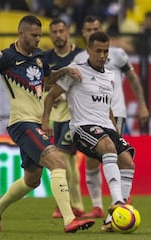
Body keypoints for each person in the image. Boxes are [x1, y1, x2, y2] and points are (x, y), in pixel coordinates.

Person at [0, 15, 94, 233]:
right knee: (58, 162)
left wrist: (64, 71)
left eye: (39, 35)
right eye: (34, 35)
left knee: (32, 180)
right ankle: (70, 220)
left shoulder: (39, 57)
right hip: (21, 122)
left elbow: (47, 80)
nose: (38, 39)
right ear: (21, 33)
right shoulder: (6, 56)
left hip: (36, 122)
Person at [42, 30, 139, 233]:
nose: (102, 55)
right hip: (82, 128)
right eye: (98, 51)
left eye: (105, 51)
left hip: (106, 126)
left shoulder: (110, 76)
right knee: (109, 148)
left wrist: (114, 129)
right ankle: (119, 202)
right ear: (88, 51)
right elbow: (50, 95)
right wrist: (45, 122)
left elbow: (108, 107)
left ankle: (112, 219)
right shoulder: (75, 71)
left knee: (128, 160)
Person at [73, 15, 149, 220]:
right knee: (93, 158)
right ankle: (99, 205)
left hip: (114, 113)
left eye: (95, 28)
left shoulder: (117, 55)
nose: (92, 32)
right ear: (84, 35)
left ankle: (120, 200)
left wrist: (142, 103)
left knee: (115, 154)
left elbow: (133, 79)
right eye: (88, 30)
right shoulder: (78, 60)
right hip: (89, 117)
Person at [43, 18, 85, 219]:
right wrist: (53, 92)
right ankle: (72, 204)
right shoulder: (46, 58)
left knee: (64, 159)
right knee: (67, 160)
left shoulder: (79, 55)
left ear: (68, 32)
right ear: (50, 35)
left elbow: (85, 82)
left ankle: (71, 204)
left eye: (61, 31)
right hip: (55, 117)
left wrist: (65, 94)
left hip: (74, 114)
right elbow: (42, 83)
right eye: (54, 32)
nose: (58, 35)